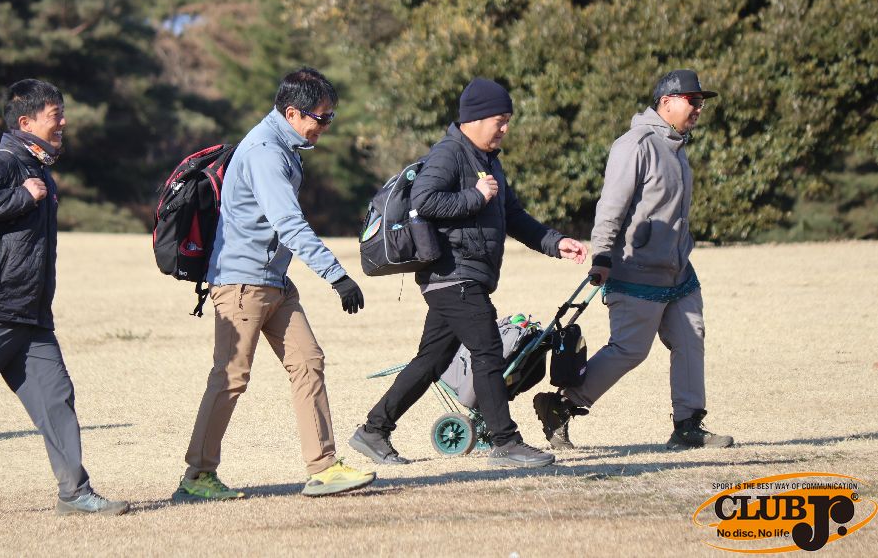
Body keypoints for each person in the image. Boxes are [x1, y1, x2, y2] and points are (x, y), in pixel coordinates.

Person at [349, 77, 588, 468]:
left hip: (463, 275)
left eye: (508, 120)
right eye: (500, 120)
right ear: (474, 119)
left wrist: (555, 242)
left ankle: (373, 431)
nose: (505, 128)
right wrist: (475, 196)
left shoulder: (488, 160)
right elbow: (425, 200)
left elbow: (514, 216)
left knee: (431, 361)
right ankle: (505, 443)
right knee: (488, 350)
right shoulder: (450, 153)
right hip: (452, 274)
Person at [174, 67, 375, 502]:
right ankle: (197, 476)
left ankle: (323, 469)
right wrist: (336, 275)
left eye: (330, 117)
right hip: (242, 285)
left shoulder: (285, 146)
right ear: (292, 113)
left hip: (273, 282)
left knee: (308, 362)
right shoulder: (265, 151)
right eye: (321, 117)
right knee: (230, 377)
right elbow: (288, 223)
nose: (325, 126)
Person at [0, 79, 129, 515]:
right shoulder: (3, 162)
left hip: (31, 318)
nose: (64, 122)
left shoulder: (40, 168)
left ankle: (75, 493)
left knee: (57, 398)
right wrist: (21, 195)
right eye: (55, 115)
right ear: (26, 122)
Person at [533, 69, 734, 451]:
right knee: (630, 349)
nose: (698, 108)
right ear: (666, 102)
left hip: (678, 272)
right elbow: (611, 205)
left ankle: (688, 425)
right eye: (693, 101)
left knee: (691, 339)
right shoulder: (635, 145)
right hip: (635, 269)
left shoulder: (676, 146)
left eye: (701, 102)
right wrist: (602, 254)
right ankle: (561, 406)